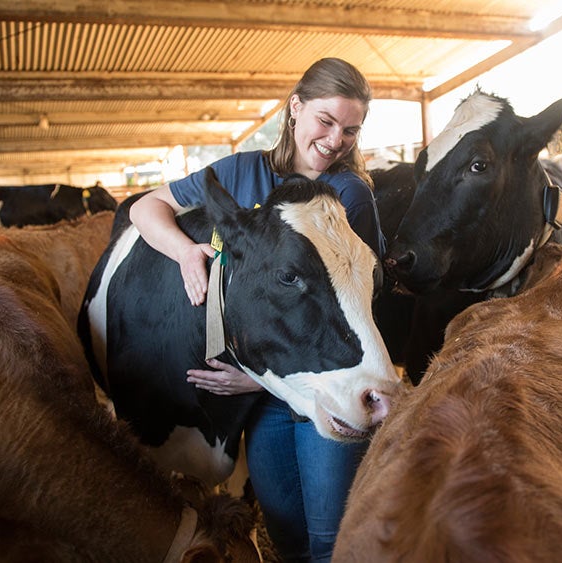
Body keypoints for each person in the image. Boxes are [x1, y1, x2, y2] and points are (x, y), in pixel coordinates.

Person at [128, 57, 383, 563]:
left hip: (326, 392)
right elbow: (143, 208)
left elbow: (359, 308)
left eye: (351, 131)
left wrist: (255, 377)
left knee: (332, 541)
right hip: (262, 407)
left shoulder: (348, 196)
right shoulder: (240, 173)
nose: (336, 141)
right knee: (286, 538)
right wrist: (184, 251)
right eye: (327, 121)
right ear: (295, 108)